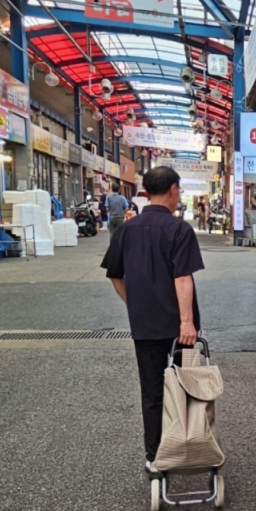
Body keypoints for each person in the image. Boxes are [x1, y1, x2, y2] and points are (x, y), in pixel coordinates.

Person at [101, 167, 205, 474]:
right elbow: (182, 277)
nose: (179, 194)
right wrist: (187, 322)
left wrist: (136, 304)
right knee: (186, 386)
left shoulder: (126, 230)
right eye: (179, 189)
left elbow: (115, 275)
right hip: (179, 330)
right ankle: (185, 445)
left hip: (144, 325)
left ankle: (155, 456)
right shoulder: (179, 229)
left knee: (152, 391)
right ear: (172, 189)